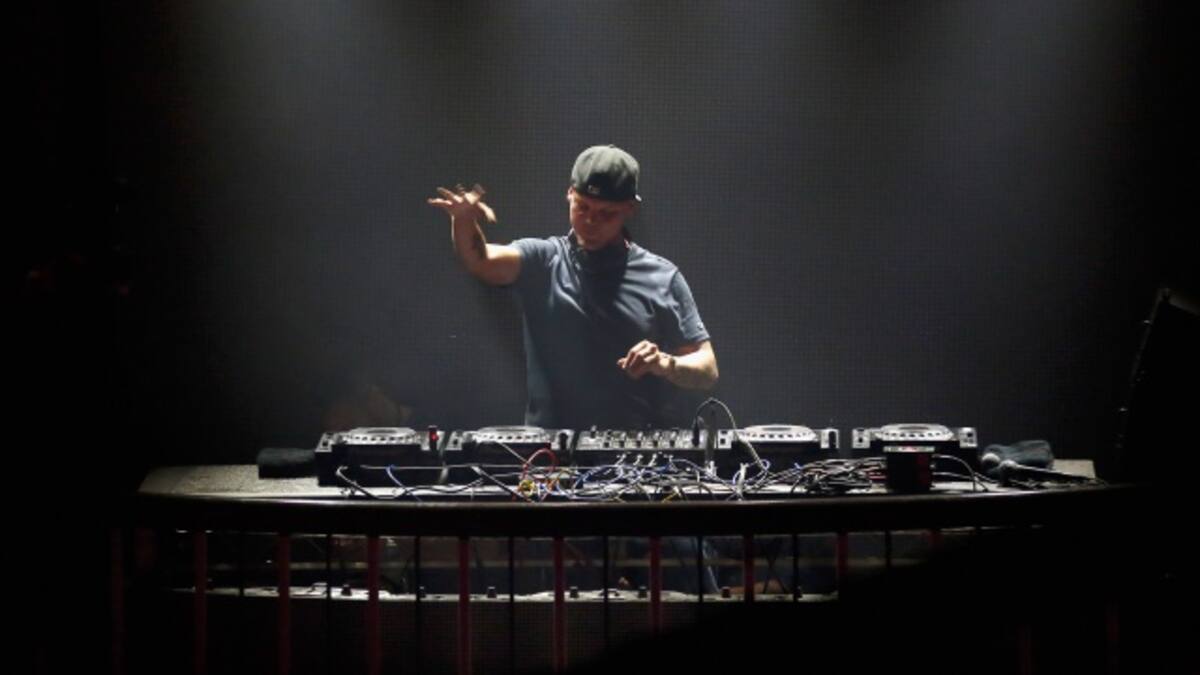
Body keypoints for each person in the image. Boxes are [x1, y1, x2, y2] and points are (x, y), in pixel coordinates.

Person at [427, 145, 718, 430]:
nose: (590, 220)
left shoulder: (662, 277)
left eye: (606, 213)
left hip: (633, 452)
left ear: (629, 208)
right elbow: (480, 261)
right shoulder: (542, 260)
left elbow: (707, 370)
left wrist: (666, 364)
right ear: (569, 194)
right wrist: (463, 221)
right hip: (548, 453)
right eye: (582, 206)